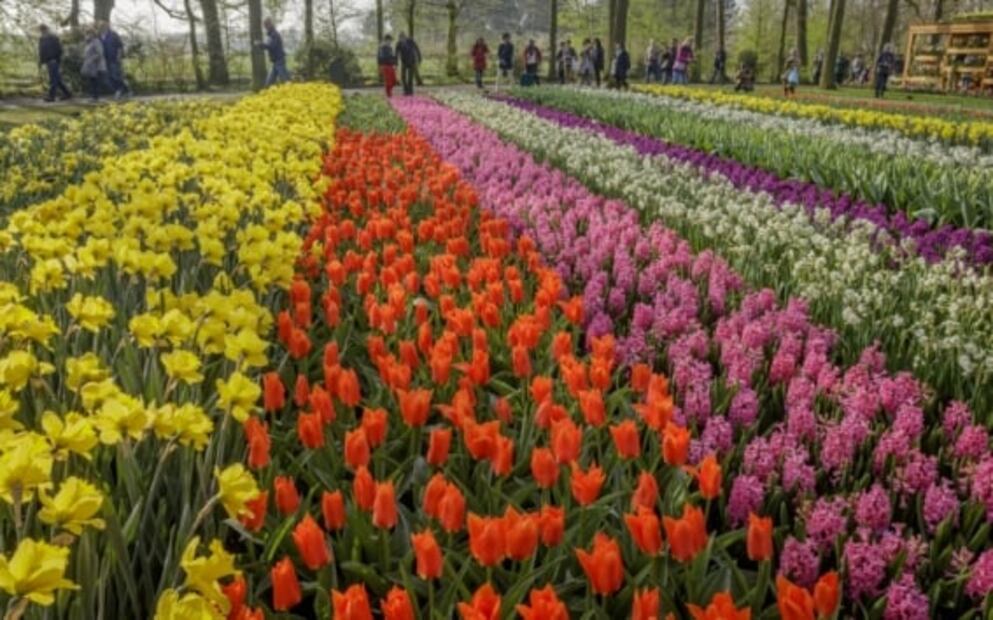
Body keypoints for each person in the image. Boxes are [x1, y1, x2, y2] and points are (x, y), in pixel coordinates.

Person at [38, 25, 71, 102]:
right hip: (48, 61)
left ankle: (51, 96)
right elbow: (41, 51)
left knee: (53, 79)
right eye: (42, 31)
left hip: (53, 61)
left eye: (44, 30)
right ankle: (67, 93)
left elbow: (59, 49)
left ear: (47, 29)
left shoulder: (53, 38)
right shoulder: (42, 39)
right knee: (57, 79)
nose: (43, 32)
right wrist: (41, 61)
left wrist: (56, 59)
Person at [98, 21, 129, 99]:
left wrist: (119, 56)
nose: (102, 27)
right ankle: (122, 90)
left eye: (104, 26)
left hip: (113, 58)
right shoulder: (99, 36)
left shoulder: (113, 35)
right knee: (107, 78)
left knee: (115, 76)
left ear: (107, 26)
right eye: (101, 26)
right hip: (104, 60)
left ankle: (121, 90)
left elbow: (120, 46)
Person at [257, 17, 290, 87]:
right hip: (275, 61)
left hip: (279, 60)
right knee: (269, 81)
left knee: (285, 80)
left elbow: (271, 46)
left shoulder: (274, 34)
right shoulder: (271, 35)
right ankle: (267, 92)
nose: (265, 27)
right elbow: (269, 46)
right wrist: (261, 45)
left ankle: (292, 91)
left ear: (270, 24)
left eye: (266, 25)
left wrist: (261, 44)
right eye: (265, 26)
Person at [80, 27, 108, 101]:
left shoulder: (96, 42)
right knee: (92, 81)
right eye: (87, 33)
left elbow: (100, 53)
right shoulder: (88, 43)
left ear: (93, 34)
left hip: (96, 65)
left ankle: (96, 97)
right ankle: (93, 96)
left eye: (89, 33)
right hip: (90, 66)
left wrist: (92, 59)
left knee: (96, 81)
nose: (87, 35)